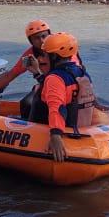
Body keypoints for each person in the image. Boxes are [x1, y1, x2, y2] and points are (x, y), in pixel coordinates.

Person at [33, 32, 97, 162]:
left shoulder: (54, 78)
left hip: (56, 129)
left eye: (46, 54)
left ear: (54, 56)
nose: (43, 58)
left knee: (31, 98)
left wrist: (56, 135)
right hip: (79, 128)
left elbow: (57, 108)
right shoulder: (82, 73)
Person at [0, 19, 55, 101]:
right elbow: (11, 75)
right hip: (44, 84)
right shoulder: (29, 55)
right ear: (31, 41)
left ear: (50, 35)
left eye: (44, 36)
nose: (42, 41)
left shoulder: (61, 48)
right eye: (36, 38)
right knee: (26, 103)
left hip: (61, 85)